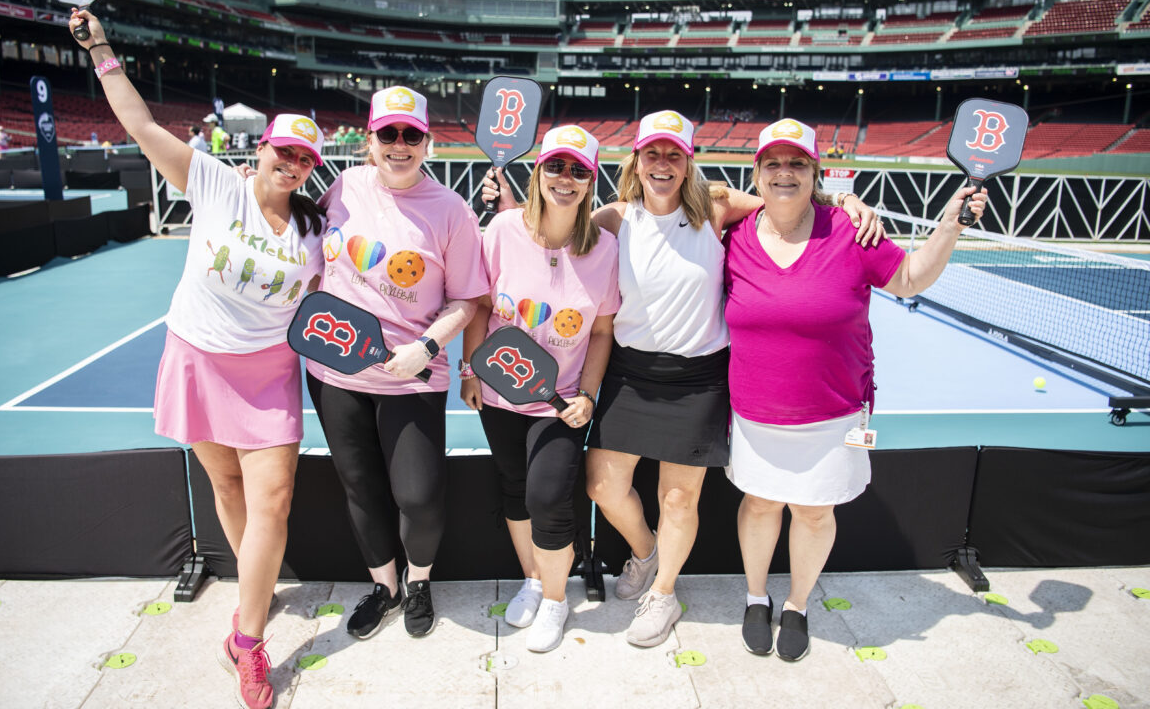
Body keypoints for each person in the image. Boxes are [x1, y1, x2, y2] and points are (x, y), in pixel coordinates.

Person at [483, 110, 882, 649]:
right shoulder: (612, 219)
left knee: (678, 499)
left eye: (674, 154)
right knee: (602, 485)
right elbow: (549, 237)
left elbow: (784, 196)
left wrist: (843, 201)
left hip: (698, 378)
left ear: (688, 161)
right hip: (630, 372)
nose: (663, 163)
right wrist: (507, 207)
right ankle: (645, 554)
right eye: (653, 154)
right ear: (638, 161)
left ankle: (664, 593)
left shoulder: (716, 208)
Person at [69, 8, 326, 709]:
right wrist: (102, 52)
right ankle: (254, 593)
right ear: (262, 151)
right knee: (229, 489)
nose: (293, 164)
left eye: (305, 158)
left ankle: (246, 642)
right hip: (198, 359)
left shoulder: (316, 228)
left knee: (272, 495)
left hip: (269, 374)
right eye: (285, 151)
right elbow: (142, 127)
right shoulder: (215, 183)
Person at [724, 118, 986, 662]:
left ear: (814, 172)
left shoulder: (851, 231)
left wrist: (949, 226)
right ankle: (755, 598)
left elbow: (910, 278)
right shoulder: (734, 236)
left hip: (835, 413)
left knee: (815, 511)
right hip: (755, 412)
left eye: (797, 163)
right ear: (757, 173)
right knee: (761, 503)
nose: (784, 173)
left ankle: (795, 605)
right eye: (772, 163)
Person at [308, 85, 488, 641]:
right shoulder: (343, 187)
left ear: (427, 141)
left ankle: (419, 581)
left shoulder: (450, 210)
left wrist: (428, 348)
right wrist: (249, 193)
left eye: (412, 135)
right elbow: (299, 233)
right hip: (334, 371)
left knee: (418, 494)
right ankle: (385, 588)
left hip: (412, 376)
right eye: (388, 134)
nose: (400, 145)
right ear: (370, 140)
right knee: (359, 485)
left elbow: (468, 300)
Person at [461, 126, 620, 652]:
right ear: (538, 172)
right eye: (556, 166)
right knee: (513, 486)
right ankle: (533, 579)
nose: (566, 178)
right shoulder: (504, 229)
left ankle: (555, 599)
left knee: (549, 497)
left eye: (578, 170)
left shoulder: (606, 249)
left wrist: (588, 396)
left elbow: (600, 331)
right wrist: (470, 370)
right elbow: (480, 306)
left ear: (591, 180)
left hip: (560, 403)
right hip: (499, 391)